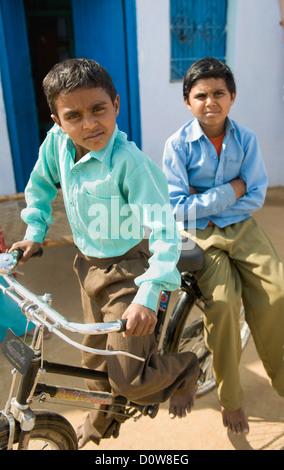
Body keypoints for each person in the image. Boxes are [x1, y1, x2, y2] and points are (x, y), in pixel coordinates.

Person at [10, 58, 200, 448]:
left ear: (116, 103)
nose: (89, 124)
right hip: (88, 267)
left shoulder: (131, 164)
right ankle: (100, 425)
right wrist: (35, 232)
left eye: (98, 109)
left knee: (130, 380)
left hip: (130, 273)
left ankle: (187, 368)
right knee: (93, 362)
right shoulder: (57, 144)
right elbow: (40, 185)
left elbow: (166, 232)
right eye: (73, 115)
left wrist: (147, 297)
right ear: (57, 120)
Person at [163, 57, 284, 435]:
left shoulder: (245, 139)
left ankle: (282, 382)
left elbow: (256, 195)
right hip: (201, 232)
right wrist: (230, 189)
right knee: (225, 305)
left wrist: (211, 198)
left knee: (277, 293)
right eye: (201, 95)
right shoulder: (177, 145)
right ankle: (231, 398)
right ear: (188, 101)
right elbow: (178, 208)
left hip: (242, 227)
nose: (210, 101)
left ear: (232, 97)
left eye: (219, 93)